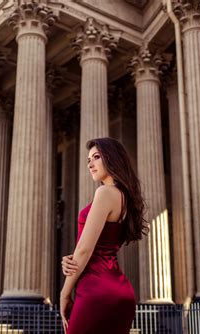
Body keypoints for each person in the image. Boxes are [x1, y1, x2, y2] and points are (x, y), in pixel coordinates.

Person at [60, 137, 148, 334]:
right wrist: (73, 258)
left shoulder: (105, 193)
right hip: (120, 291)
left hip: (95, 289)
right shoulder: (125, 198)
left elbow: (85, 249)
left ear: (112, 158)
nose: (90, 163)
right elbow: (99, 247)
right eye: (88, 159)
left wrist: (64, 294)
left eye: (96, 157)